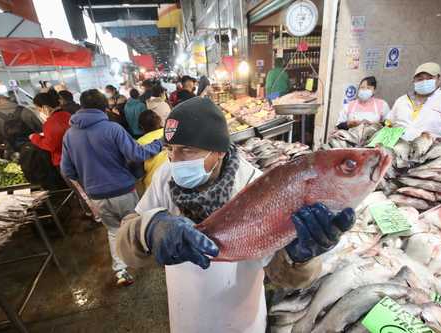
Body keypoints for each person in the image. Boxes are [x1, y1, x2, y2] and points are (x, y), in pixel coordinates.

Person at [116, 97, 355, 332]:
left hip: (240, 321)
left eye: (187, 151)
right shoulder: (165, 176)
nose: (174, 161)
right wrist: (147, 230)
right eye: (170, 150)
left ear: (218, 151)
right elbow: (125, 245)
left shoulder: (256, 185)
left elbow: (282, 277)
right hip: (185, 315)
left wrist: (299, 261)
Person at [60, 89, 163, 286]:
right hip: (122, 189)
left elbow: (67, 171)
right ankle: (144, 257)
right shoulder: (113, 129)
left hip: (96, 195)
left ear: (81, 106)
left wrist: (88, 178)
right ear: (104, 107)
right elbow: (136, 154)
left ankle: (121, 271)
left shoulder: (69, 135)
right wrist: (159, 144)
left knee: (114, 230)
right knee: (134, 223)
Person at [386, 62, 441, 142]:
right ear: (414, 81)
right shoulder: (401, 100)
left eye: (430, 78)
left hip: (429, 153)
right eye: (420, 78)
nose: (424, 81)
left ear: (439, 79)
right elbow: (388, 124)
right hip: (397, 150)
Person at [30, 90, 71, 167]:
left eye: (39, 109)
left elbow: (50, 145)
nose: (39, 112)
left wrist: (34, 137)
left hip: (64, 160)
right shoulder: (68, 115)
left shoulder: (50, 123)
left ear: (45, 107)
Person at [136, 110, 167, 194]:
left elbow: (139, 171)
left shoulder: (140, 143)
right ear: (159, 120)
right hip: (173, 180)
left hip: (153, 185)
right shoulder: (168, 133)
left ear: (141, 127)